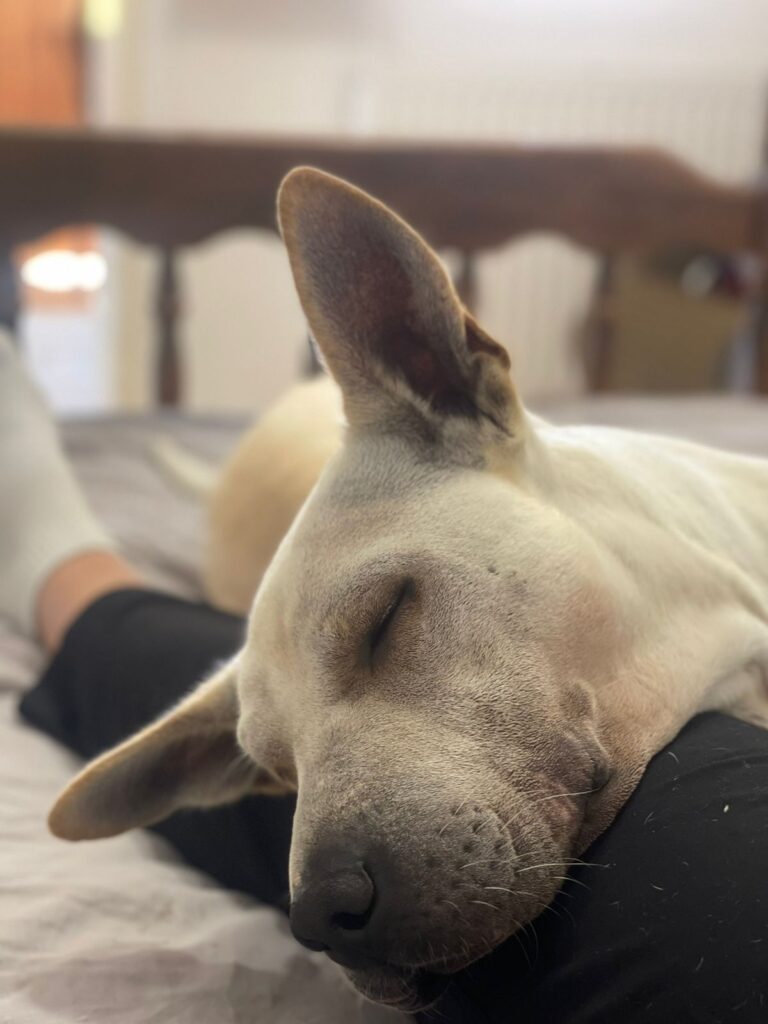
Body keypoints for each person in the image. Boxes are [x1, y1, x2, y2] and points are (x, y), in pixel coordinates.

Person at [2, 336, 766, 1023]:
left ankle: (76, 588)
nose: (317, 908)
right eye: (283, 772)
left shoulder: (440, 454)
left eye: (385, 624)